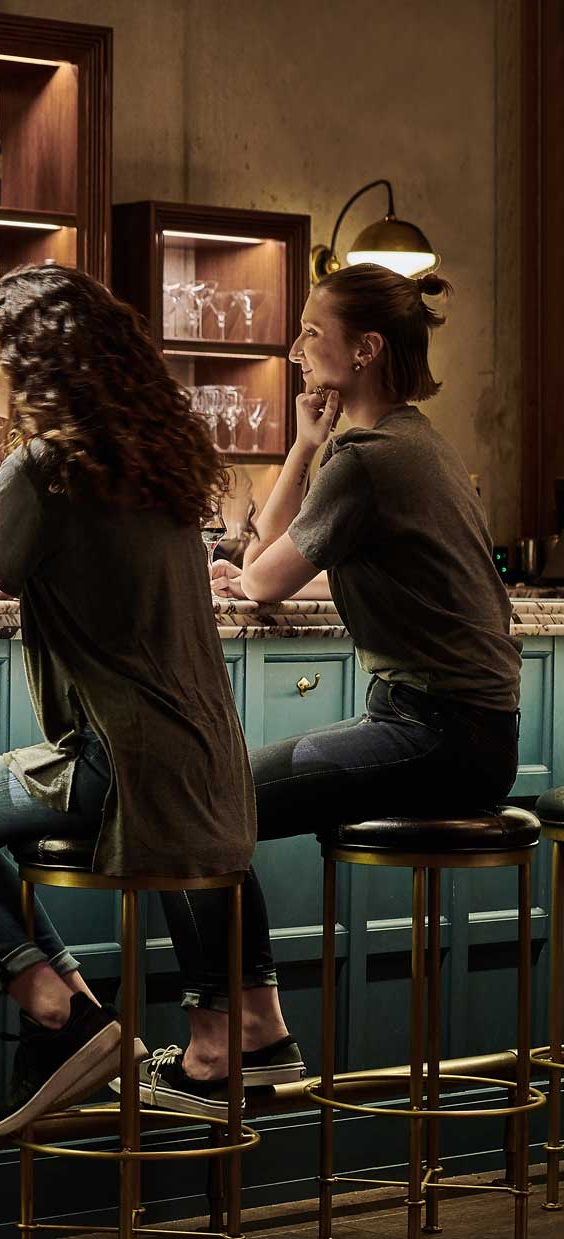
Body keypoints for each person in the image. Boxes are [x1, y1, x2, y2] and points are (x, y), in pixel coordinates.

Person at [0, 264, 256, 1136]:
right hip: (204, 754)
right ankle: (76, 1010)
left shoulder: (45, 461)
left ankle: (55, 1006)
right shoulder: (159, 457)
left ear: (36, 361)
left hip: (121, 760)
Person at [141, 265, 519, 1117]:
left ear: (366, 348)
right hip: (466, 732)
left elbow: (265, 575)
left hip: (437, 731)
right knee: (206, 798)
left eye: (314, 332)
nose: (298, 346)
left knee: (194, 799)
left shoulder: (373, 456)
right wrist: (306, 443)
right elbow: (275, 549)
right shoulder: (413, 441)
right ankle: (254, 1029)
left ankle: (233, 1043)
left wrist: (267, 548)